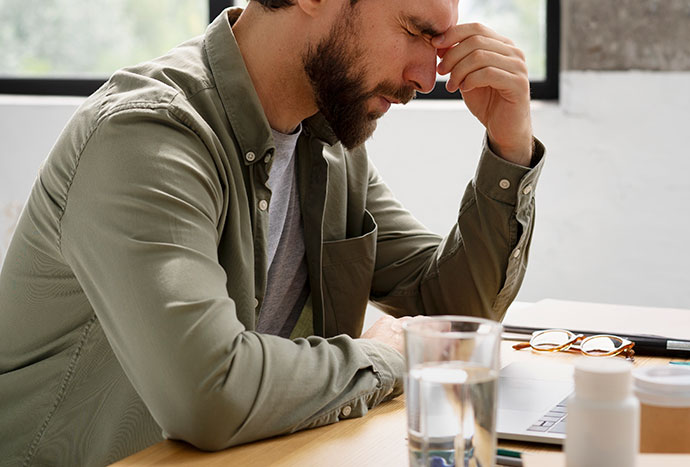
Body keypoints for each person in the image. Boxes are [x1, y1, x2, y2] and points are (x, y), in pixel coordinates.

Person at [0, 0, 545, 464]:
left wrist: (509, 147)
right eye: (414, 31)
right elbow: (209, 392)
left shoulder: (330, 147)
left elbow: (449, 311)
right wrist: (389, 357)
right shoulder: (145, 136)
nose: (428, 78)